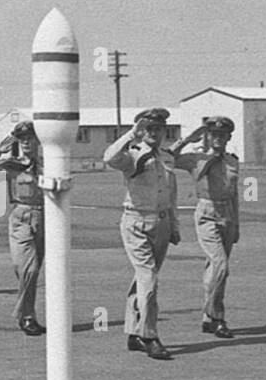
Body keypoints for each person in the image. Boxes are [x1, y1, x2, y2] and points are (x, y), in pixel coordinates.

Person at [103, 107, 183, 361]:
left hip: (160, 223)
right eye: (148, 128)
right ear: (141, 129)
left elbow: (171, 194)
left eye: (158, 129)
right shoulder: (132, 155)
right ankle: (150, 336)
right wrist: (131, 135)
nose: (154, 133)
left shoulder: (166, 157)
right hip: (135, 221)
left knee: (144, 278)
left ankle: (133, 333)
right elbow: (109, 157)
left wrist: (174, 225)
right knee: (148, 278)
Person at [173, 116, 242, 338]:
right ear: (207, 136)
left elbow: (234, 194)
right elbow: (166, 158)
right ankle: (216, 317)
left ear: (229, 137)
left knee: (214, 269)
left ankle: (207, 318)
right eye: (214, 135)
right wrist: (186, 140)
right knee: (221, 265)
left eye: (222, 135)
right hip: (206, 213)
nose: (218, 139)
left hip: (227, 214)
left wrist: (237, 224)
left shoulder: (232, 161)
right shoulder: (196, 159)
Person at [0, 120, 45, 335]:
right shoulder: (12, 164)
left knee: (31, 272)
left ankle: (29, 315)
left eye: (30, 138)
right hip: (22, 217)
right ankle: (26, 316)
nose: (26, 142)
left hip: (46, 218)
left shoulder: (47, 163)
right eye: (22, 139)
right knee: (29, 269)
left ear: (39, 140)